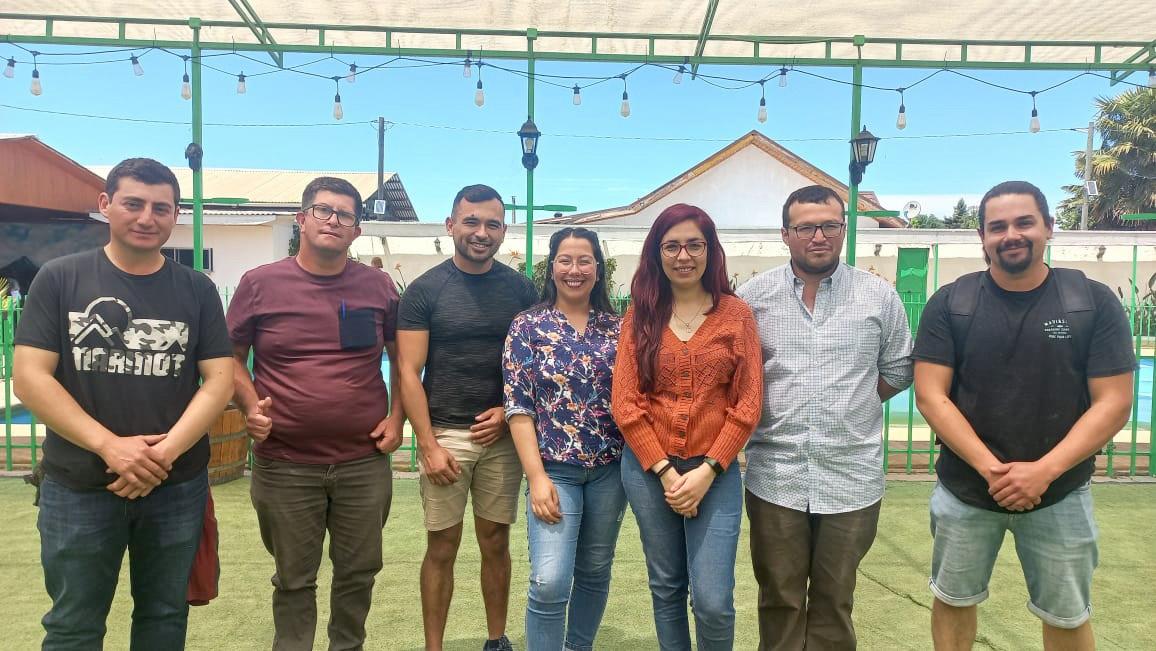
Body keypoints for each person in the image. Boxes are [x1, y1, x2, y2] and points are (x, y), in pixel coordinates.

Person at [12, 158, 234, 649]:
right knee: (73, 625)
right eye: (133, 204)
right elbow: (30, 378)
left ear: (175, 215)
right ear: (105, 205)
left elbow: (219, 381)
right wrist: (111, 447)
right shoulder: (60, 278)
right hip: (79, 483)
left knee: (164, 618)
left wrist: (163, 455)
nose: (146, 217)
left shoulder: (196, 289)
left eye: (161, 208)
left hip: (174, 485)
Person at [912, 181, 1135, 651]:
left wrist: (1043, 472)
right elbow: (931, 396)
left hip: (1061, 492)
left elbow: (1113, 402)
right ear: (982, 237)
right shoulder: (951, 303)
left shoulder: (1091, 302)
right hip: (967, 489)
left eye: (1024, 223)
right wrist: (991, 470)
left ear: (1049, 228)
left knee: (1067, 614)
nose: (1011, 235)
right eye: (997, 227)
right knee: (953, 600)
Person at [226, 177, 404, 650]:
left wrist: (398, 418)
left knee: (358, 574)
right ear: (301, 220)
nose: (333, 221)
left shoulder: (378, 286)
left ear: (357, 230)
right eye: (323, 211)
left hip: (362, 461)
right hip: (285, 463)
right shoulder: (259, 284)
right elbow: (229, 357)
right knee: (293, 579)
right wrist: (249, 405)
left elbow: (404, 360)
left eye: (345, 215)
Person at [737, 185, 914, 650]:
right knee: (779, 598)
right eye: (805, 228)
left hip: (851, 476)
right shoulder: (753, 299)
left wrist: (852, 405)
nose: (819, 236)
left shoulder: (878, 296)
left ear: (843, 229)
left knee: (835, 601)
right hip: (776, 476)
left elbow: (899, 368)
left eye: (829, 226)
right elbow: (738, 376)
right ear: (785, 234)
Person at [611, 203, 763, 650]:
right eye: (672, 246)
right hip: (648, 471)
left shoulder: (736, 315)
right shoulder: (641, 315)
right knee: (666, 586)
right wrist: (665, 472)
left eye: (694, 245)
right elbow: (625, 402)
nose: (683, 256)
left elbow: (748, 402)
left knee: (714, 600)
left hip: (715, 471)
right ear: (656, 253)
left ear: (710, 250)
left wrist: (707, 471)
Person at [397, 184, 538, 651]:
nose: (481, 232)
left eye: (492, 224)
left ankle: (496, 639)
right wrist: (428, 445)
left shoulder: (521, 289)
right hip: (446, 436)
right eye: (471, 221)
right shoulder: (424, 290)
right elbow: (408, 372)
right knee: (442, 545)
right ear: (450, 225)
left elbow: (533, 364)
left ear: (503, 231)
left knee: (495, 540)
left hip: (502, 436)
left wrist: (508, 411)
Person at [502, 228, 626, 650]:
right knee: (550, 579)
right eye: (566, 260)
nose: (575, 270)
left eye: (585, 260)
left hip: (611, 470)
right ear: (551, 267)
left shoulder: (618, 328)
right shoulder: (528, 327)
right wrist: (536, 477)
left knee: (595, 569)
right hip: (554, 470)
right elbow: (518, 407)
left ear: (598, 269)